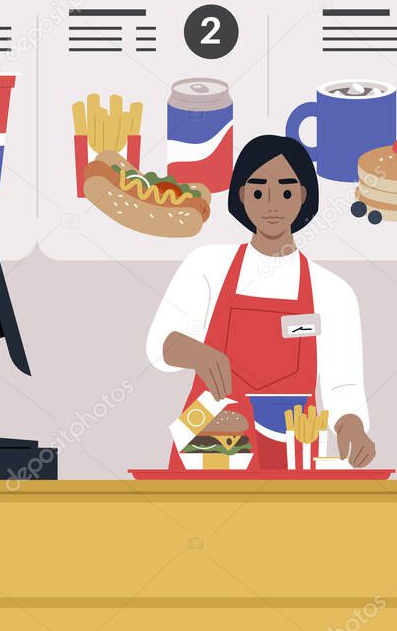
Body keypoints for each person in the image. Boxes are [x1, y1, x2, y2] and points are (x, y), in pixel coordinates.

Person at [147, 134, 376, 469]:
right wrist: (196, 352)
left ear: (302, 196)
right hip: (208, 452)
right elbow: (159, 348)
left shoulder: (332, 291)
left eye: (285, 191)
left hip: (288, 455)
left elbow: (343, 385)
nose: (272, 204)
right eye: (258, 191)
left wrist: (351, 427)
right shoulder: (207, 265)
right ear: (242, 196)